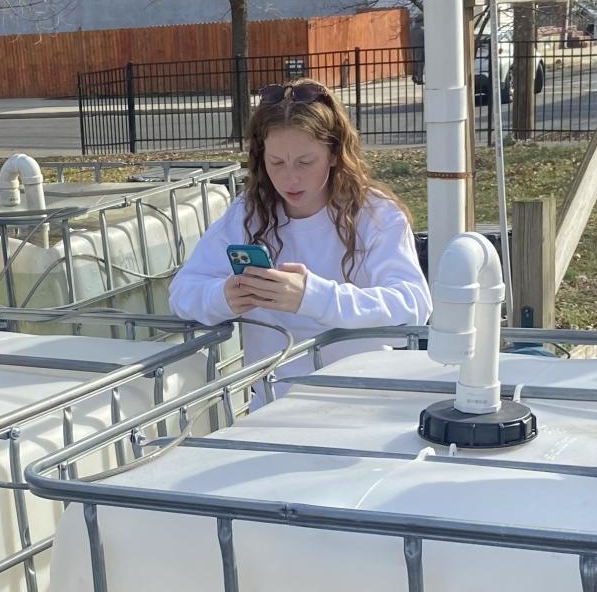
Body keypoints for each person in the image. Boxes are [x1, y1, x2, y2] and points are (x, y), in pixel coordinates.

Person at [167, 79, 430, 389]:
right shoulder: (248, 212)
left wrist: (312, 297)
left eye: (306, 162)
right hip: (274, 405)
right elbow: (182, 293)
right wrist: (223, 296)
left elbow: (413, 304)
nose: (290, 177)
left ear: (334, 154)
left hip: (363, 400)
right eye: (276, 162)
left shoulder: (374, 213)